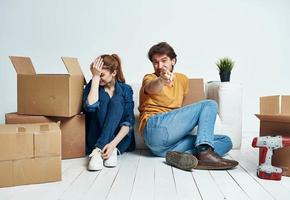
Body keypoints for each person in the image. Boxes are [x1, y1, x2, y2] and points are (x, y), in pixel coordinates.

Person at [138, 42, 238, 170]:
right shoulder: (150, 78)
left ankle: (184, 157)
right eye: (155, 62)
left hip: (164, 148)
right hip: (154, 128)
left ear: (173, 61)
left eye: (164, 61)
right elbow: (152, 88)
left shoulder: (182, 79)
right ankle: (204, 153)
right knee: (210, 104)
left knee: (226, 141)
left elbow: (180, 110)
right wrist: (162, 80)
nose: (159, 66)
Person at [83, 54, 135, 171]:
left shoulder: (126, 89)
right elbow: (90, 106)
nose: (98, 77)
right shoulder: (93, 85)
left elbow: (128, 122)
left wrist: (112, 144)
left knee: (116, 102)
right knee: (104, 98)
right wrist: (95, 78)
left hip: (118, 140)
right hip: (95, 136)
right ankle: (99, 149)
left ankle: (102, 149)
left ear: (114, 73)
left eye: (102, 75)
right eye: (96, 74)